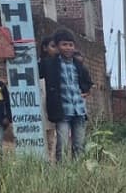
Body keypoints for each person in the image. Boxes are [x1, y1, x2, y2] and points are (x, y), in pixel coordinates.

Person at [40, 28, 93, 161]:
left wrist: (85, 91)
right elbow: (35, 72)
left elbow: (88, 82)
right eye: (64, 44)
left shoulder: (78, 64)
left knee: (79, 145)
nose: (68, 48)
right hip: (62, 111)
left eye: (71, 45)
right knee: (62, 144)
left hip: (79, 110)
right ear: (57, 46)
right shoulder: (49, 64)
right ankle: (61, 170)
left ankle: (77, 169)